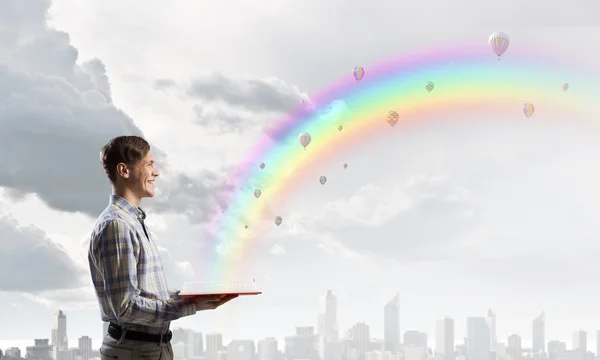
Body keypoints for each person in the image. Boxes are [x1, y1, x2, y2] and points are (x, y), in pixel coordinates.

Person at [89, 136, 237, 360]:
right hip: (136, 351)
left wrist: (191, 298)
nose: (156, 172)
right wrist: (190, 306)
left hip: (148, 349)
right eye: (149, 164)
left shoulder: (133, 222)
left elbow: (147, 295)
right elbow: (126, 308)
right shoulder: (118, 226)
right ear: (124, 171)